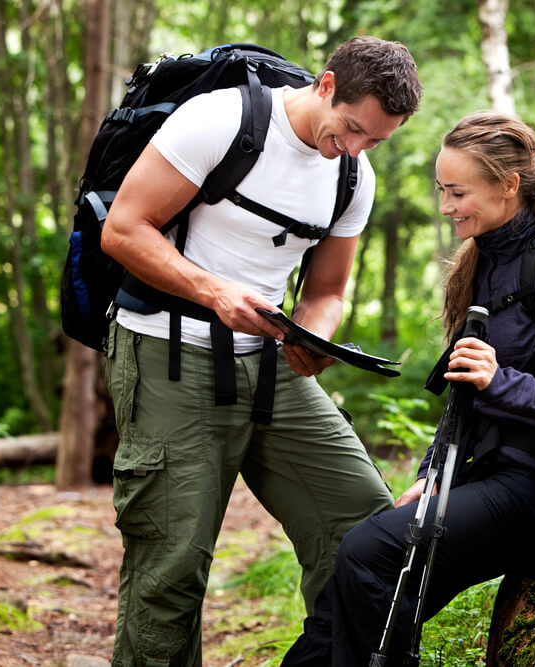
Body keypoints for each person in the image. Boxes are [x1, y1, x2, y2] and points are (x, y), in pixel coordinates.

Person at [99, 36, 423, 666]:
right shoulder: (220, 121)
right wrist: (214, 290)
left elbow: (327, 290)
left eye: (376, 140)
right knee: (172, 565)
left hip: (270, 366)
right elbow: (123, 229)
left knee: (364, 526)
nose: (355, 147)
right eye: (353, 128)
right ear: (325, 85)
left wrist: (313, 335)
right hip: (168, 352)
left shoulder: (354, 175)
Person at [281, 111, 535, 665]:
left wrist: (505, 382)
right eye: (442, 190)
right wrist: (430, 473)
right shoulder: (487, 259)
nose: (446, 207)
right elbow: (465, 396)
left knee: (370, 552)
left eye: (458, 192)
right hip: (492, 472)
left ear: (509, 185)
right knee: (360, 590)